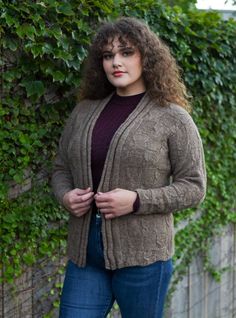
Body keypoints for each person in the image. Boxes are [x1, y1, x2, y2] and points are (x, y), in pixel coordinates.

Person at [51, 17, 206, 318]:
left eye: (126, 52)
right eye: (108, 55)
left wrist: (136, 200)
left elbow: (194, 187)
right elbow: (60, 168)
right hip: (86, 256)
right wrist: (65, 195)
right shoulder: (83, 111)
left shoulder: (173, 118)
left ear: (146, 57)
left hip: (144, 259)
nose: (115, 62)